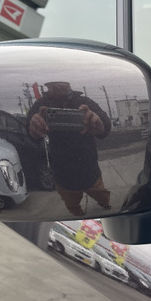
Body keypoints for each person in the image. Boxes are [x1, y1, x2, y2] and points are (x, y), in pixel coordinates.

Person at [28, 81, 111, 216]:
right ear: (48, 87)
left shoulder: (84, 102)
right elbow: (29, 130)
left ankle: (105, 203)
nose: (59, 88)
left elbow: (104, 124)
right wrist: (33, 129)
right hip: (62, 170)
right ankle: (78, 214)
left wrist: (99, 125)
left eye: (62, 85)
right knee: (71, 202)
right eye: (54, 86)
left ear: (69, 86)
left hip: (88, 166)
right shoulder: (41, 105)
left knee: (101, 194)